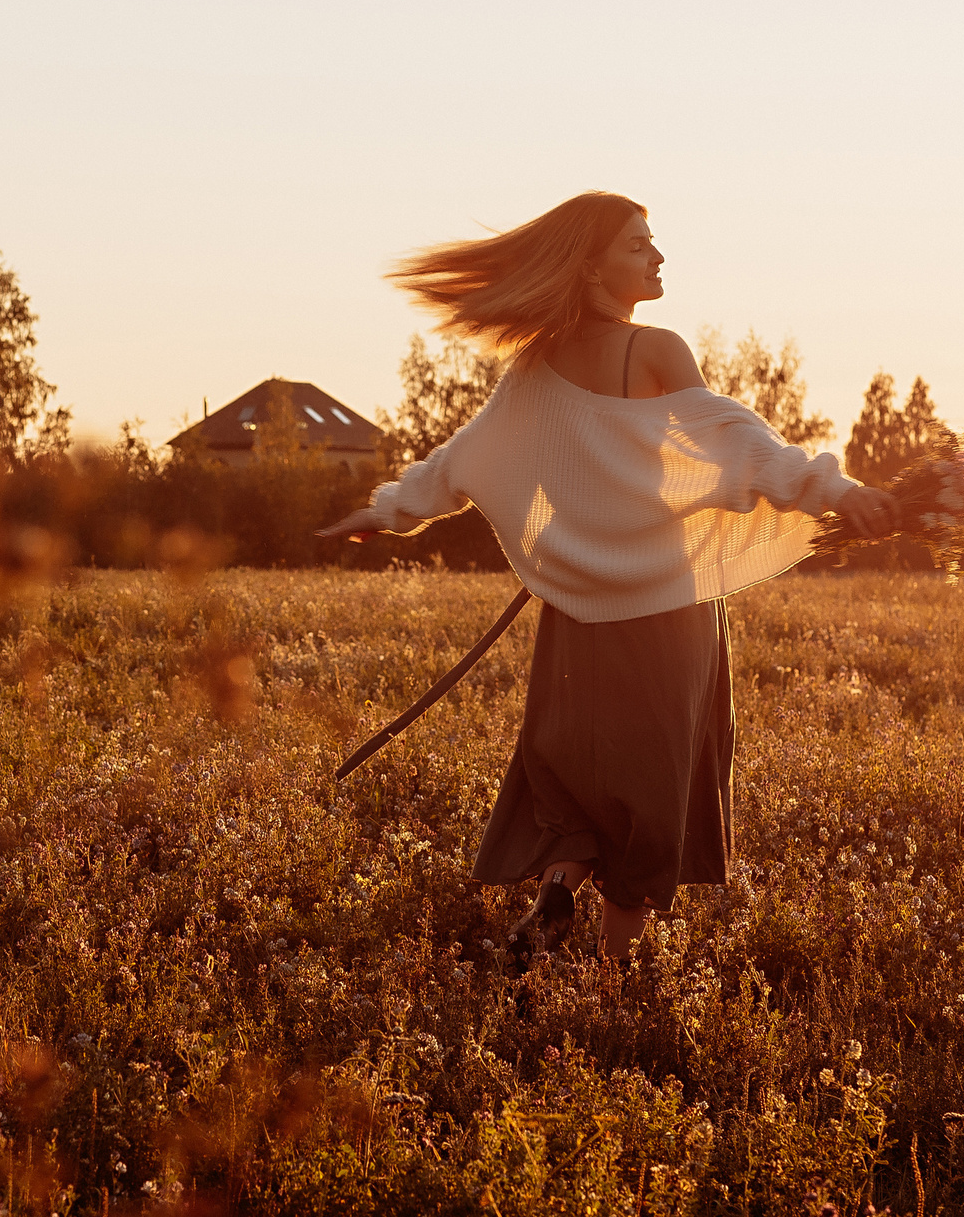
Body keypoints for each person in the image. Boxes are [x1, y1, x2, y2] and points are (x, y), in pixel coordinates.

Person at [320, 192, 897, 966]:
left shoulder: (534, 368)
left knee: (582, 782)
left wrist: (382, 512)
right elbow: (744, 446)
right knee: (649, 795)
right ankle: (614, 988)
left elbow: (457, 467)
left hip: (578, 616)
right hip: (668, 612)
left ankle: (559, 889)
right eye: (637, 245)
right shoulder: (654, 349)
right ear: (590, 270)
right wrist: (840, 493)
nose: (658, 256)